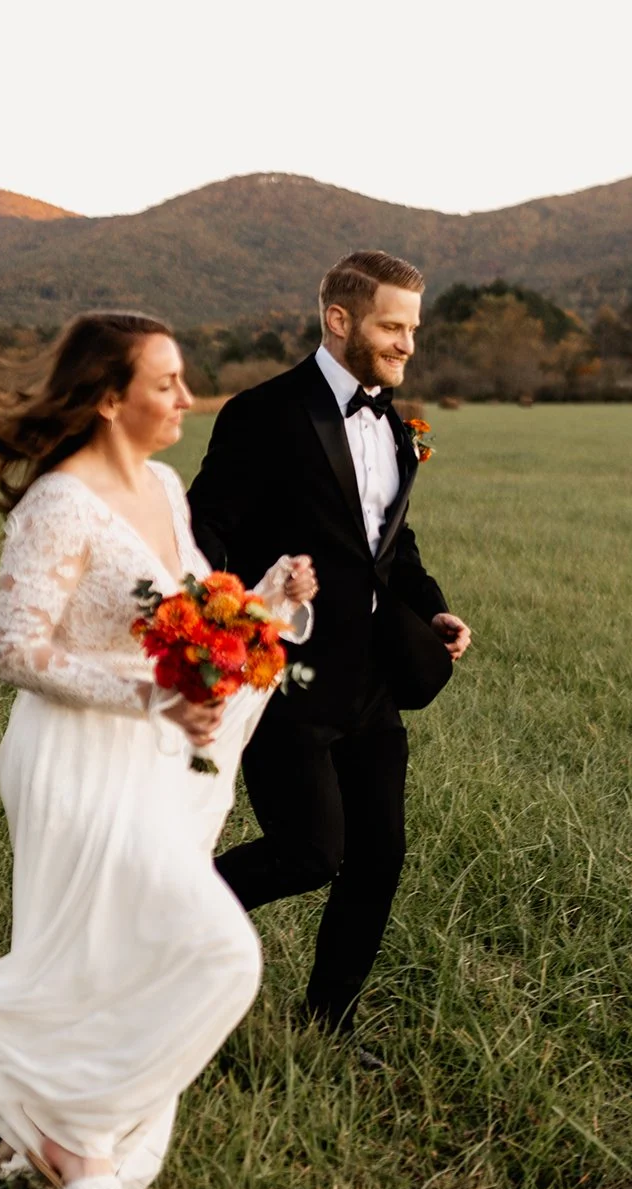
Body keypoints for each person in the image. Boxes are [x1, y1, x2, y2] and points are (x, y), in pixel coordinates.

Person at [0, 311, 316, 1189]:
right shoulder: (59, 506)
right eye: (167, 383)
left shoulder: (161, 484)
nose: (187, 399)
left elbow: (193, 608)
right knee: (216, 953)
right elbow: (16, 652)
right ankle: (76, 1135)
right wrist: (151, 702)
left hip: (155, 762)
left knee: (132, 954)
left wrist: (268, 604)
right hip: (74, 757)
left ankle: (52, 1119)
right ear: (111, 397)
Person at [188, 251, 470, 1061]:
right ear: (339, 320)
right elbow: (209, 530)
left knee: (378, 856)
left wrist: (430, 606)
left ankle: (329, 1024)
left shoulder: (395, 421)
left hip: (374, 680)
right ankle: (167, 911)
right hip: (289, 680)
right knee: (310, 851)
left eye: (412, 328)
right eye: (391, 325)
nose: (406, 344)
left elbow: (390, 539)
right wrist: (246, 610)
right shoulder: (262, 414)